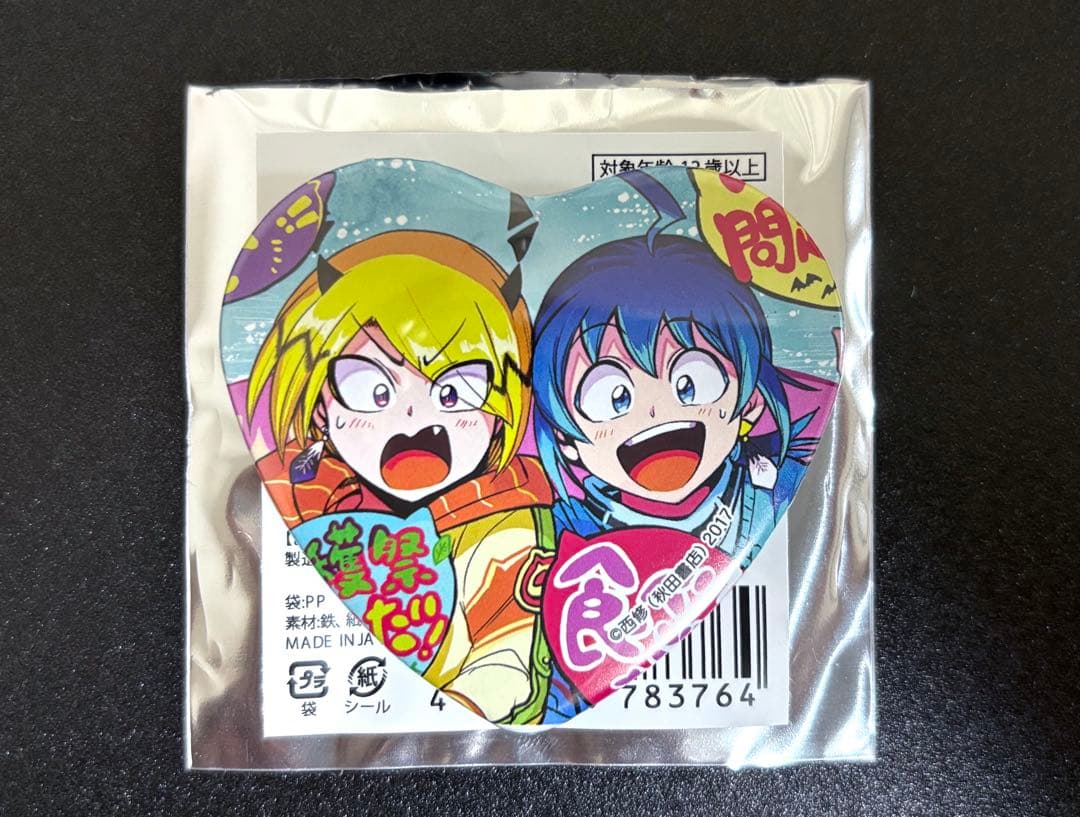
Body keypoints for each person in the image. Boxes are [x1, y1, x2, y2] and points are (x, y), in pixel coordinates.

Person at [247, 229, 554, 725]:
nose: (414, 419)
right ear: (321, 405)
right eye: (371, 388)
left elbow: (505, 660)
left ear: (502, 404)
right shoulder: (297, 490)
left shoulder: (505, 514)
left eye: (454, 392)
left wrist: (466, 711)